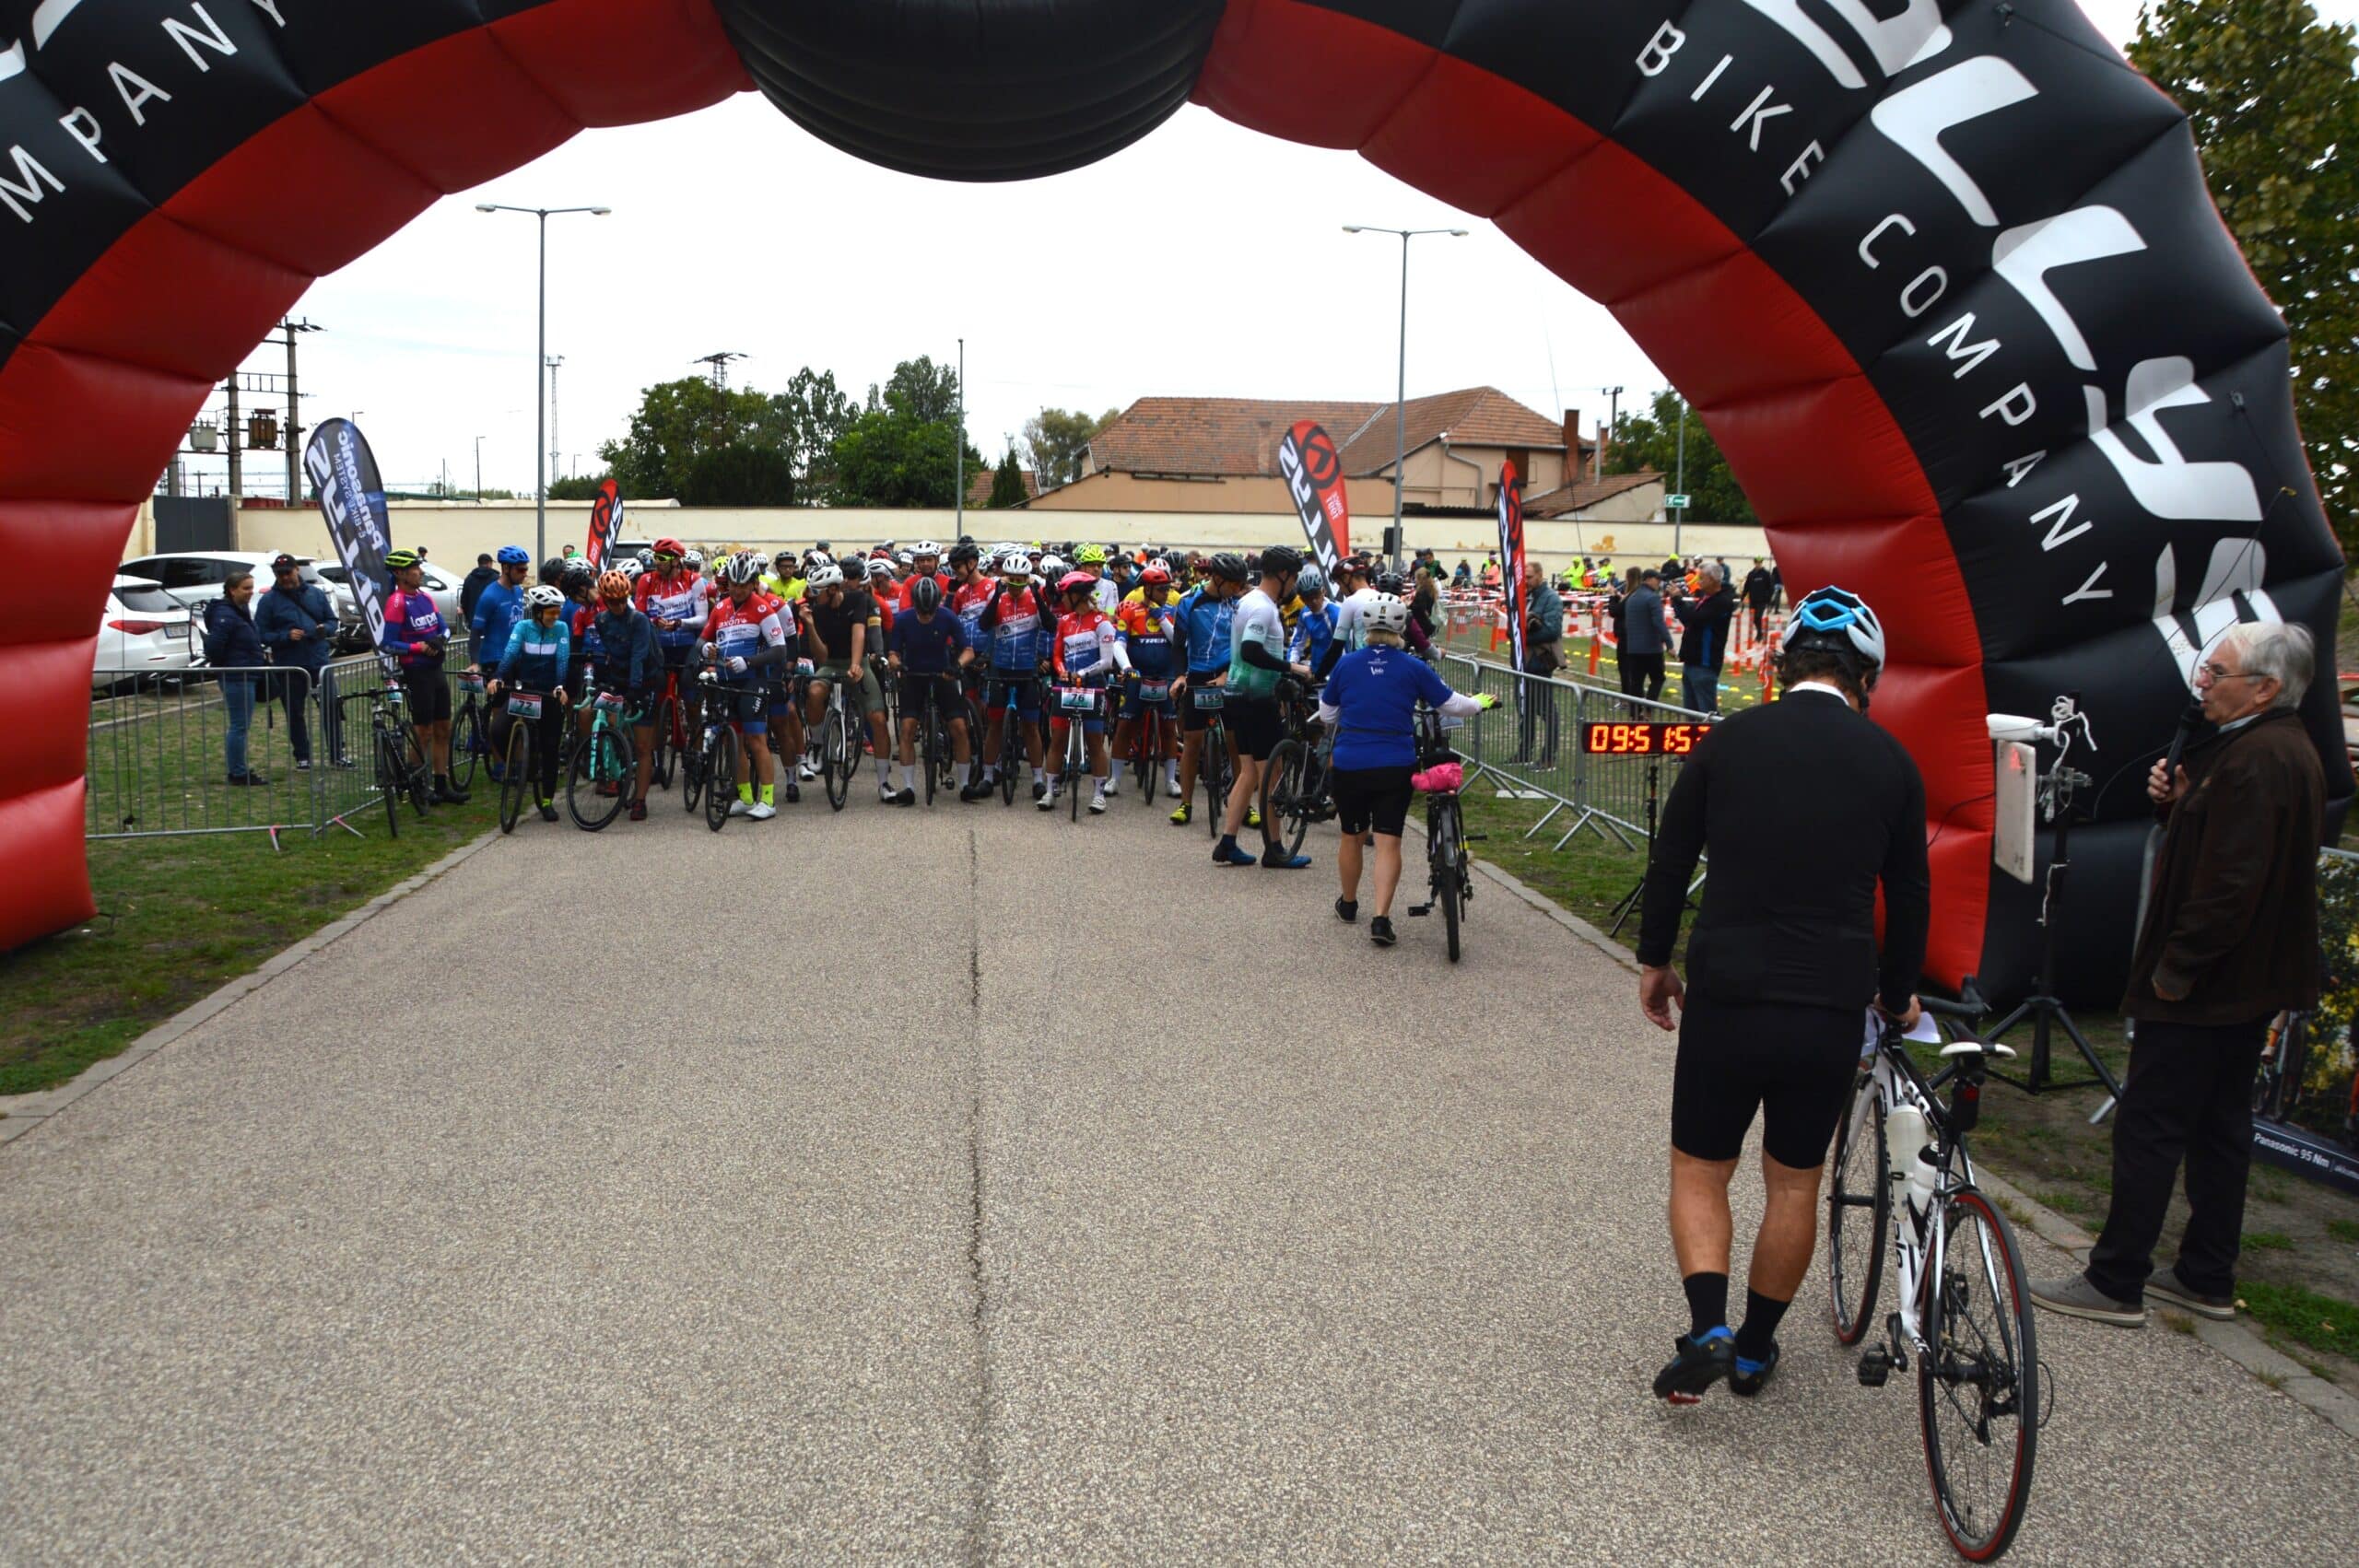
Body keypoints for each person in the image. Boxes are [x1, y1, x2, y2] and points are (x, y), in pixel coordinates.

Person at [1635, 586, 1928, 1402]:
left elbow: (1671, 857)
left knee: (1702, 1168)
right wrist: (1899, 991)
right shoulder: (1891, 762)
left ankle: (1709, 1327)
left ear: (1783, 664)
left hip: (1729, 988)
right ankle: (1757, 1348)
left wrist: (1654, 959)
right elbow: (1909, 894)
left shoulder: (1729, 740)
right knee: (1796, 1180)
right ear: (1866, 678)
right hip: (1828, 1000)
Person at [2032, 622, 2326, 1328]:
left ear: (2266, 688)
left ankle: (2116, 1278)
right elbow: (2223, 844)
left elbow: (2231, 885)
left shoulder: (2260, 759)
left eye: (2217, 673)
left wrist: (2176, 968)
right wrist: (2180, 801)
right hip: (2245, 982)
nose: (2203, 684)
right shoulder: (2271, 748)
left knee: (2151, 1124)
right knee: (2220, 1126)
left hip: (2209, 984)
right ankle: (2205, 1273)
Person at [1318, 593, 1495, 946]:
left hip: (1351, 762)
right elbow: (1451, 704)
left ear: (1366, 627)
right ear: (1402, 629)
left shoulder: (1347, 664)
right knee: (1388, 842)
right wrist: (1479, 703)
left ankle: (1349, 904)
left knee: (1352, 835)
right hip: (1394, 763)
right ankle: (1381, 919)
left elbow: (1327, 714)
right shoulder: (1413, 667)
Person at [1214, 544, 1313, 870]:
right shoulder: (1263, 608)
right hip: (1256, 699)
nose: (1295, 584)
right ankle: (1275, 849)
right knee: (1273, 775)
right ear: (1282, 575)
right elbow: (1252, 651)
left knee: (1248, 772)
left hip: (1236, 695)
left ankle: (1228, 842)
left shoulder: (1248, 601)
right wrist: (1292, 668)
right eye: (1294, 577)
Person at [704, 552, 793, 820]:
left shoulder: (762, 608)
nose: (738, 589)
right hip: (726, 682)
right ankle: (744, 797)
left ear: (754, 583)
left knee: (756, 740)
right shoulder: (720, 608)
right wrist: (707, 650)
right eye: (734, 584)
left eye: (744, 584)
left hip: (753, 681)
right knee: (734, 742)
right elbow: (703, 641)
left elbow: (780, 650)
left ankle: (767, 800)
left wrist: (749, 662)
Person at [381, 548, 465, 803]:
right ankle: (417, 785)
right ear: (400, 573)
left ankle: (441, 784)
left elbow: (445, 628)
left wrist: (440, 640)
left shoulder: (425, 597)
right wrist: (418, 648)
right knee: (423, 732)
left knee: (443, 729)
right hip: (417, 672)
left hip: (435, 669)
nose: (420, 572)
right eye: (415, 569)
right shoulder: (396, 602)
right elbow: (388, 643)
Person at [1171, 553, 1248, 826]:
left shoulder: (1239, 604)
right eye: (1234, 584)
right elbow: (1178, 644)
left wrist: (1228, 674)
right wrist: (1181, 676)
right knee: (1192, 740)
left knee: (1236, 742)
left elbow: (1244, 645)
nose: (1238, 589)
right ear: (1217, 578)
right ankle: (1186, 803)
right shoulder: (1189, 602)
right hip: (1199, 675)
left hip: (1230, 672)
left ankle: (1244, 805)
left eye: (1241, 584)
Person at [486, 585, 572, 822]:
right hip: (524, 690)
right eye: (551, 612)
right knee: (497, 729)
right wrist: (498, 677)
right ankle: (518, 767)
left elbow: (562, 659)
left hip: (549, 691)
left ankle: (546, 801)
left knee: (550, 746)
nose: (555, 617)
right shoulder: (523, 627)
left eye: (558, 612)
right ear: (537, 612)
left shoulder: (561, 628)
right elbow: (511, 653)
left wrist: (560, 685)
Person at [886, 574, 977, 805]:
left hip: (943, 675)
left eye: (930, 612)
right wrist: (897, 664)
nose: (926, 616)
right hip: (914, 676)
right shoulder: (903, 619)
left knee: (959, 727)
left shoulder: (947, 617)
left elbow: (968, 651)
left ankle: (965, 785)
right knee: (907, 728)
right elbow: (893, 653)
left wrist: (957, 666)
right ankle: (908, 787)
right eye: (922, 612)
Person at [587, 568, 661, 821]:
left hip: (645, 680)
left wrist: (635, 689)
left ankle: (640, 800)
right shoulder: (602, 621)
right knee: (613, 727)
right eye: (612, 602)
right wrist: (601, 682)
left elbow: (638, 655)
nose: (618, 606)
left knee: (642, 745)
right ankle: (615, 769)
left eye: (622, 600)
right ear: (605, 601)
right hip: (619, 678)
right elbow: (605, 654)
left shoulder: (638, 620)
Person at [977, 553, 1051, 799]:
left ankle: (1038, 779)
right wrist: (997, 595)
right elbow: (984, 625)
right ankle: (988, 777)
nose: (1017, 585)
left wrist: (1037, 596)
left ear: (1028, 578)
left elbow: (1051, 625)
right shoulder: (998, 598)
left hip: (1027, 670)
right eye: (1012, 579)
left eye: (1021, 580)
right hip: (1000, 669)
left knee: (1031, 727)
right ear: (1005, 578)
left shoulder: (1034, 599)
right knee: (995, 726)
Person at [254, 553, 337, 770]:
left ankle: (337, 754)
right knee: (294, 713)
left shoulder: (315, 594)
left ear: (296, 570)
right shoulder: (268, 601)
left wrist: (325, 629)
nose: (284, 578)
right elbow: (261, 633)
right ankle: (302, 756)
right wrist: (285, 636)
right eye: (280, 574)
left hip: (319, 660)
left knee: (331, 707)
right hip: (289, 664)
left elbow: (332, 620)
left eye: (288, 572)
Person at [1043, 569, 1117, 813]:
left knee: (1095, 742)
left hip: (1093, 686)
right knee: (1057, 739)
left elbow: (1107, 662)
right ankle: (1050, 790)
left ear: (1076, 595)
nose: (1062, 600)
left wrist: (1083, 674)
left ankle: (1098, 794)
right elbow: (1057, 655)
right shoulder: (1065, 621)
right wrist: (1062, 671)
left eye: (1065, 595)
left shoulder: (1102, 622)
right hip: (1067, 685)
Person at [201, 569, 270, 787]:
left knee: (241, 725)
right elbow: (214, 647)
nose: (251, 592)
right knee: (239, 726)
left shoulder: (240, 610)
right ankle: (238, 772)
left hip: (246, 673)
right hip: (237, 675)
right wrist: (230, 665)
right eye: (246, 588)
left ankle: (238, 770)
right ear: (232, 590)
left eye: (252, 588)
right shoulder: (226, 615)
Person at [1516, 558, 1565, 766]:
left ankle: (1548, 757)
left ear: (1540, 575)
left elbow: (1552, 630)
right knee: (1525, 709)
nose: (1525, 581)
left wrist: (1522, 637)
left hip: (1540, 661)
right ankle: (1524, 752)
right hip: (1523, 662)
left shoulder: (1551, 598)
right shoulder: (1524, 597)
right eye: (1524, 578)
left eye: (1529, 577)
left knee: (1546, 710)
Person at [1672, 562, 1735, 715]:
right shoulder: (1706, 598)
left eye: (1702, 578)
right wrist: (1677, 601)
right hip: (1691, 660)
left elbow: (1697, 619)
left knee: (1707, 713)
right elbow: (1689, 621)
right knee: (1691, 713)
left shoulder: (1721, 601)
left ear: (1713, 580)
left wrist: (1679, 600)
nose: (1698, 582)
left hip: (1704, 663)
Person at [469, 545, 532, 674]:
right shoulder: (489, 596)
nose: (525, 574)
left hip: (516, 657)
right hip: (495, 660)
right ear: (506, 568)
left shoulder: (518, 591)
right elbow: (475, 632)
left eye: (526, 569)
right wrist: (474, 663)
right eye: (520, 570)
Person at [1622, 568, 1670, 706]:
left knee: (1636, 682)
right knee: (1658, 678)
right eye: (1657, 579)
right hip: (1651, 648)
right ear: (1648, 579)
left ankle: (1634, 712)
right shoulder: (1653, 597)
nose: (1659, 582)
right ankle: (1649, 708)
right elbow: (1659, 622)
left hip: (1633, 648)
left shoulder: (1632, 597)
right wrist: (1669, 643)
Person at [1741, 558, 1776, 641]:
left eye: (1760, 563)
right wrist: (1743, 596)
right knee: (1753, 618)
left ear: (1761, 563)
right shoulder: (1751, 574)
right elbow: (1747, 586)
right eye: (1757, 563)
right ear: (1755, 563)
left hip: (1762, 600)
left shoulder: (1766, 574)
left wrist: (1768, 599)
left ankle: (1759, 634)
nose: (1758, 564)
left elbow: (1771, 587)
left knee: (1758, 616)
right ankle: (1760, 633)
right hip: (1753, 599)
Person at [458, 552, 498, 621]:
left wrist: (468, 617)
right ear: (489, 564)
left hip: (474, 618)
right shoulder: (496, 578)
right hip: (492, 619)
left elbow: (464, 600)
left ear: (479, 564)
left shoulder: (469, 578)